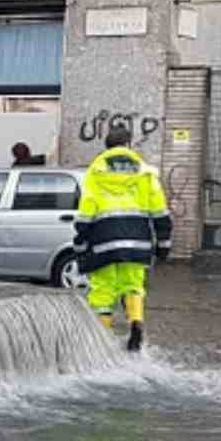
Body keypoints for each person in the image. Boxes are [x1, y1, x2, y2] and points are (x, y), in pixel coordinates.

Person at [74, 126, 172, 352]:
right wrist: (164, 245)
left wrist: (80, 239)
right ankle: (136, 322)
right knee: (133, 285)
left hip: (103, 241)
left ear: (107, 147)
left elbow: (87, 208)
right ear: (128, 145)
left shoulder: (95, 172)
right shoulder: (146, 172)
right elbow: (160, 211)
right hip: (137, 241)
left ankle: (102, 340)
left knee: (103, 291)